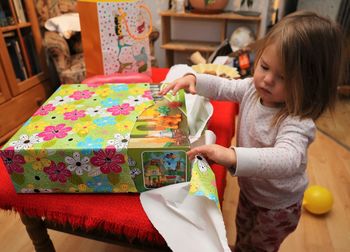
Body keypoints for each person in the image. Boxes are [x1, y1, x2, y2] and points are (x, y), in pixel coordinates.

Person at [159, 11, 344, 252]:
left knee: (260, 247)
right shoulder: (252, 89)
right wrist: (194, 79)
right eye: (264, 66)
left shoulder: (297, 121)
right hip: (250, 191)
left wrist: (233, 156)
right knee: (243, 228)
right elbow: (223, 86)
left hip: (277, 206)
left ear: (309, 85)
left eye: (283, 78)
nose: (266, 80)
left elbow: (288, 159)